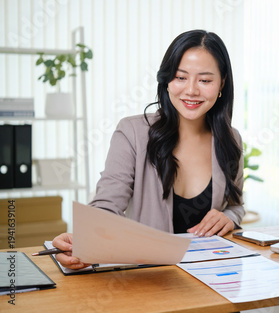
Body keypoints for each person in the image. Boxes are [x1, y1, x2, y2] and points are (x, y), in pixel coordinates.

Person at [52, 29, 245, 270]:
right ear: (166, 81)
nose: (192, 90)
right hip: (149, 279)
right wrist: (84, 241)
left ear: (222, 84)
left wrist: (229, 217)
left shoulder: (231, 139)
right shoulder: (132, 132)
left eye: (205, 80)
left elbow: (236, 205)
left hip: (212, 275)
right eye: (180, 77)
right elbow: (107, 205)